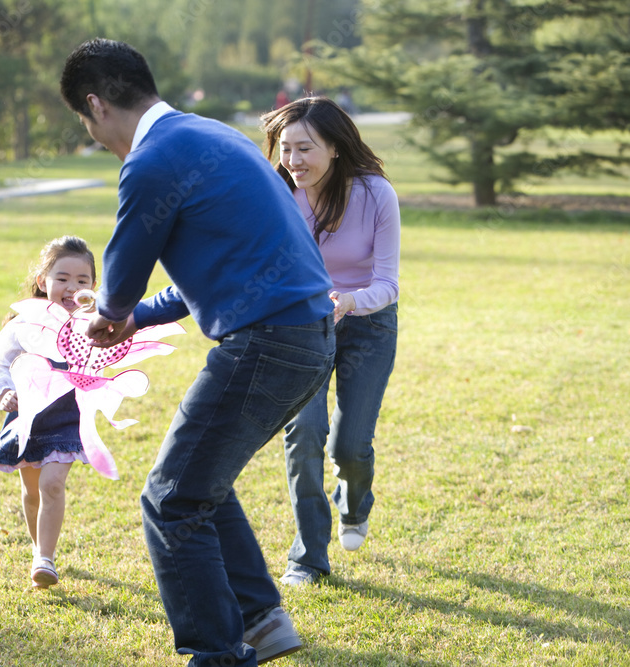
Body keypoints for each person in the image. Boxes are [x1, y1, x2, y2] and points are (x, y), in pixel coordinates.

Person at [60, 38, 336, 667]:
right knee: (199, 483)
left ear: (97, 105)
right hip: (307, 335)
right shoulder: (217, 137)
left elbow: (125, 268)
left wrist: (105, 315)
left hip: (267, 341)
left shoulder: (152, 159)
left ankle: (216, 653)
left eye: (85, 120)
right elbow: (211, 271)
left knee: (171, 499)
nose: (95, 134)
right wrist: (129, 318)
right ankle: (263, 622)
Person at [260, 96, 400, 586]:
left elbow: (388, 284)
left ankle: (354, 500)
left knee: (351, 446)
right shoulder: (276, 194)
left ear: (336, 148)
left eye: (305, 148)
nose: (293, 161)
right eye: (285, 149)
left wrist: (348, 301)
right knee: (304, 437)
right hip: (302, 326)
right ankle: (308, 557)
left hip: (368, 322)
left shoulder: (376, 193)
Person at [0, 236, 97, 589]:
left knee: (51, 484)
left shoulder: (93, 325)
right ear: (43, 280)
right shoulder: (22, 325)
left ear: (93, 288)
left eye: (82, 281)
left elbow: (104, 364)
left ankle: (45, 558)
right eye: (62, 278)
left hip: (67, 419)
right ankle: (38, 549)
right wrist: (3, 393)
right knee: (32, 492)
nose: (71, 288)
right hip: (27, 419)